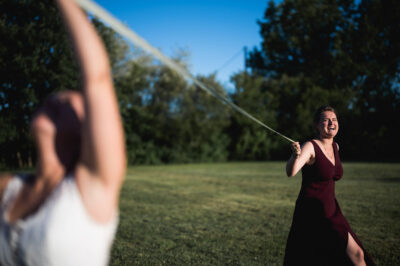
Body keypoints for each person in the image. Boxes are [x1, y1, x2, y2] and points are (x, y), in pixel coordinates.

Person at [0, 0, 126, 265]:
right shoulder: (10, 189)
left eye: (69, 103)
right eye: (54, 99)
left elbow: (97, 78)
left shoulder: (93, 185)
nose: (58, 100)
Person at [284, 106, 375, 266]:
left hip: (332, 210)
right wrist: (295, 155)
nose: (331, 123)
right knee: (353, 255)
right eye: (325, 120)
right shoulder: (311, 146)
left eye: (334, 119)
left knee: (355, 255)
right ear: (317, 126)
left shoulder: (336, 147)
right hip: (313, 212)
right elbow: (291, 172)